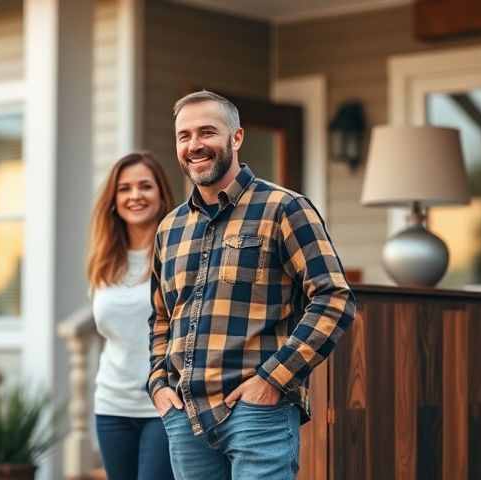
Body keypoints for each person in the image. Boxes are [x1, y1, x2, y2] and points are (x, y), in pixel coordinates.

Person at [148, 90, 356, 480]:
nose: (194, 145)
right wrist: (160, 385)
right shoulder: (170, 228)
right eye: (184, 136)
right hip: (185, 417)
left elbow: (334, 299)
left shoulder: (285, 208)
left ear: (236, 138)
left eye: (207, 132)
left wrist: (272, 380)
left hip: (258, 414)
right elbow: (162, 317)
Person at [88, 152, 176, 480]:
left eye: (145, 186)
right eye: (124, 189)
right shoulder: (103, 261)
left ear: (161, 194)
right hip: (111, 404)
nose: (135, 196)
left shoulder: (179, 254)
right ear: (113, 200)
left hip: (164, 404)